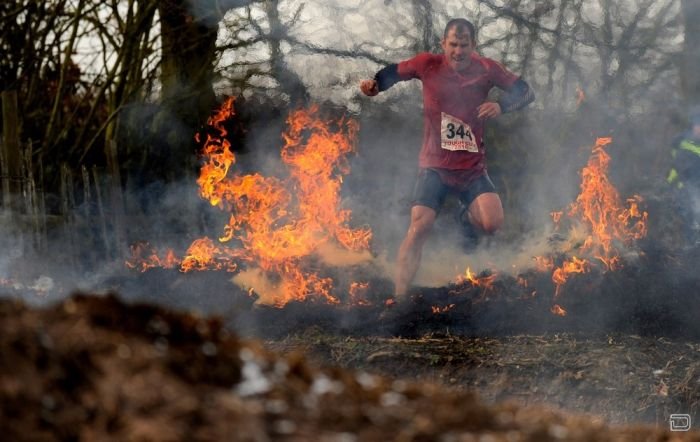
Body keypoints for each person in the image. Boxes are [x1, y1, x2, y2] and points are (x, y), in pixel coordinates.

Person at [360, 18, 535, 298]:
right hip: (435, 168)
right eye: (453, 45)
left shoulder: (488, 69)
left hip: (472, 169)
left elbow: (526, 92)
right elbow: (394, 72)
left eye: (464, 45)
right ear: (444, 44)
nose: (458, 52)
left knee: (493, 224)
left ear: (473, 45)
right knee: (420, 226)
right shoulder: (427, 63)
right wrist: (375, 85)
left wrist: (501, 106)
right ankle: (399, 298)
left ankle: (466, 218)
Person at [666, 108, 700, 242]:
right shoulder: (683, 144)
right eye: (697, 125)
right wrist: (669, 183)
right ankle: (692, 246)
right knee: (691, 215)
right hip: (687, 187)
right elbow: (677, 167)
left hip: (694, 186)